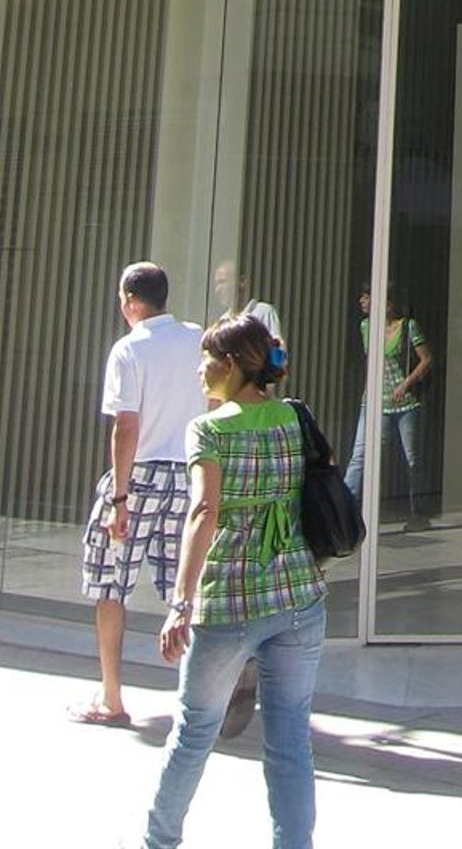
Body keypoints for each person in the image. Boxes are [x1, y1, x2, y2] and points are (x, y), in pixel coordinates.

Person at [137, 311, 327, 849]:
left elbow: (204, 512)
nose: (198, 370)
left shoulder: (209, 429)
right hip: (299, 597)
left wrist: (180, 603)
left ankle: (158, 841)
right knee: (290, 740)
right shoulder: (293, 417)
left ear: (230, 364)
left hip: (229, 601)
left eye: (205, 359)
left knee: (194, 731)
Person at [73, 262, 204, 728]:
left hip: (141, 475)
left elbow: (125, 427)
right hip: (187, 475)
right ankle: (203, 697)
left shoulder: (129, 349)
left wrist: (120, 498)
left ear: (130, 300)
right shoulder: (197, 339)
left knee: (110, 584)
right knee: (184, 587)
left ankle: (111, 698)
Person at [343, 287, 432, 525]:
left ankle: (419, 511)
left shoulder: (407, 327)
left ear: (387, 303)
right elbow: (370, 362)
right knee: (360, 454)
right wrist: (367, 390)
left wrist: (406, 384)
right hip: (374, 400)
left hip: (405, 402)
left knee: (412, 458)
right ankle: (342, 508)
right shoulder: (366, 327)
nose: (362, 301)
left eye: (367, 297)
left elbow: (426, 359)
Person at [211, 257, 283, 343]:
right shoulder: (223, 321)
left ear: (242, 281)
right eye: (216, 284)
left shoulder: (263, 313)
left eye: (222, 282)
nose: (217, 290)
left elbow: (276, 347)